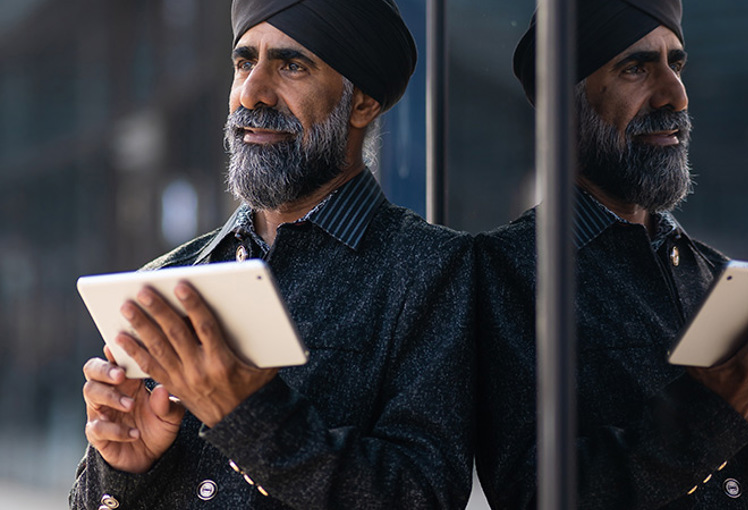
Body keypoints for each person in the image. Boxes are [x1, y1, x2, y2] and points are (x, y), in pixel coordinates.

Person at [70, 1, 475, 508]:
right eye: (244, 63)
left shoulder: (434, 272)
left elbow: (420, 495)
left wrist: (247, 415)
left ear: (363, 103)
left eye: (291, 65)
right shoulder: (167, 277)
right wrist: (122, 467)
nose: (251, 92)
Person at [475, 0, 748, 508]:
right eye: (636, 68)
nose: (675, 95)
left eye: (676, 65)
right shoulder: (501, 274)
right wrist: (719, 411)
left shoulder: (718, 277)